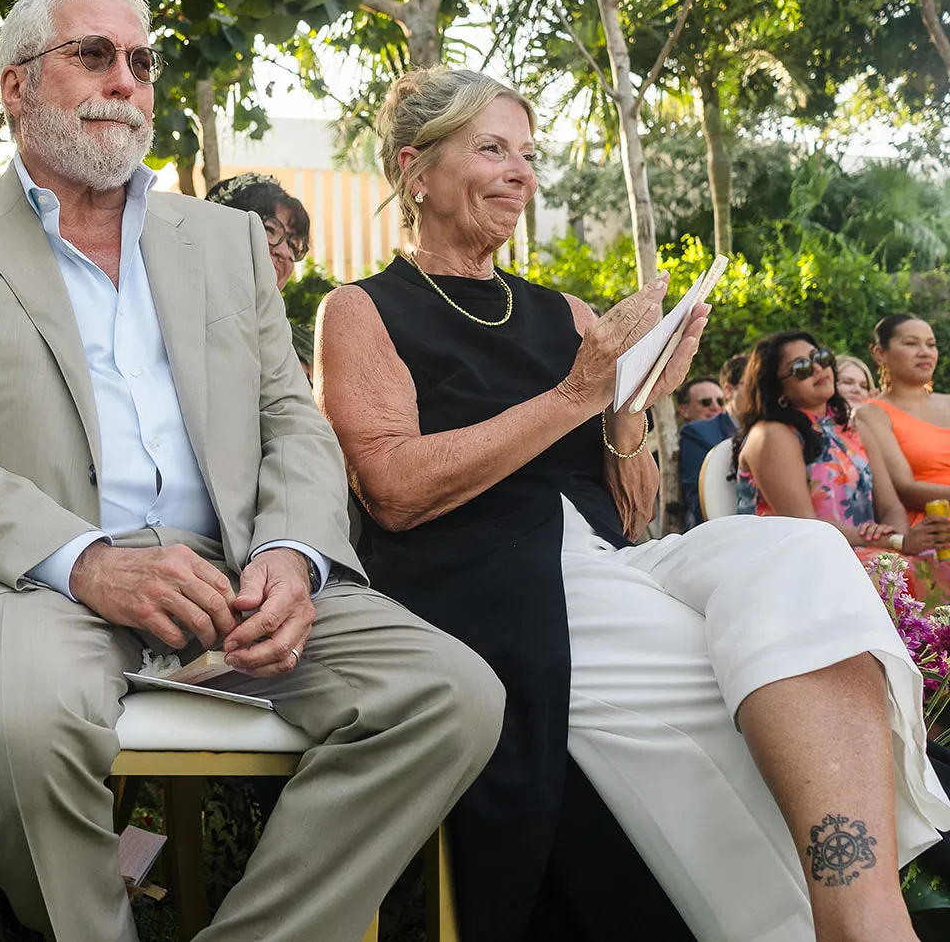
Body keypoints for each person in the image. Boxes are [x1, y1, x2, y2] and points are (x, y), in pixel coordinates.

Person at [0, 0, 504, 942]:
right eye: (93, 55)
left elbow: (292, 420)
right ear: (15, 85)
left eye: (141, 60)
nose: (125, 80)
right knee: (18, 722)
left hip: (234, 574)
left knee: (452, 695)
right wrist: (88, 561)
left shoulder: (226, 239)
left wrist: (290, 553)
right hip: (31, 582)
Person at [315, 66, 950, 942]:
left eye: (528, 154)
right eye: (492, 149)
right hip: (486, 578)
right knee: (738, 666)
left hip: (611, 560)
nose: (520, 173)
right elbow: (392, 489)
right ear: (414, 168)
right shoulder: (362, 310)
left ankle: (862, 914)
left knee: (806, 553)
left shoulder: (569, 313)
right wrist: (576, 395)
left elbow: (636, 512)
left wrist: (631, 406)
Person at [735, 330, 950, 600]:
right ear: (777, 388)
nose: (818, 368)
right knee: (905, 574)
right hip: (800, 561)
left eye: (821, 357)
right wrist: (896, 542)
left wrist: (899, 536)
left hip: (865, 550)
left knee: (936, 565)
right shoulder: (772, 434)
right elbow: (806, 526)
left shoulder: (852, 428)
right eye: (801, 368)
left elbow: (890, 506)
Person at [206, 172, 314, 365]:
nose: (284, 252)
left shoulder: (306, 346)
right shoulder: (185, 322)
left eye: (293, 245)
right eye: (270, 230)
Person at [856, 315, 950, 516]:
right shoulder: (871, 414)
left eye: (931, 345)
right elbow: (905, 489)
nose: (925, 352)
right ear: (880, 353)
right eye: (911, 343)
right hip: (932, 524)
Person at [678, 354, 747, 526]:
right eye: (706, 402)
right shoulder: (696, 433)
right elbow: (702, 502)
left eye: (719, 401)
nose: (716, 407)